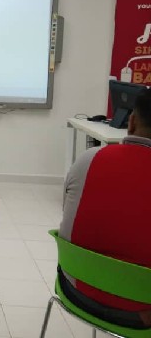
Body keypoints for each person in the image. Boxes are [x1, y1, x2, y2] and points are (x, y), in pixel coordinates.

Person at [59, 88, 151, 328]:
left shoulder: (87, 160)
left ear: (131, 122)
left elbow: (67, 214)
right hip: (140, 315)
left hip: (74, 290)